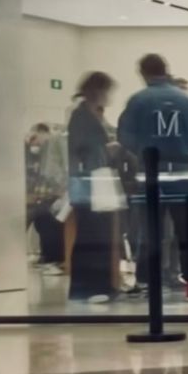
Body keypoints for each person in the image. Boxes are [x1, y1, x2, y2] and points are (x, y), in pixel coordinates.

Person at [116, 53, 188, 300]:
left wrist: (144, 152)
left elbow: (125, 136)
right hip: (184, 175)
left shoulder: (137, 101)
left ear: (143, 74)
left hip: (151, 178)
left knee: (150, 232)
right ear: (166, 70)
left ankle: (148, 282)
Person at [66, 72, 121, 302]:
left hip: (96, 179)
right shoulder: (81, 116)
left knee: (98, 233)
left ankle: (99, 284)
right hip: (90, 181)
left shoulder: (91, 115)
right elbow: (82, 150)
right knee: (91, 234)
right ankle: (88, 286)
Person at [25, 124, 67, 273]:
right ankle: (48, 256)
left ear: (43, 133)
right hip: (45, 194)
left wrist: (60, 189)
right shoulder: (44, 151)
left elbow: (56, 172)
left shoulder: (55, 143)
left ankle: (52, 257)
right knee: (42, 223)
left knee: (47, 223)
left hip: (54, 194)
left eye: (35, 138)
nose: (35, 144)